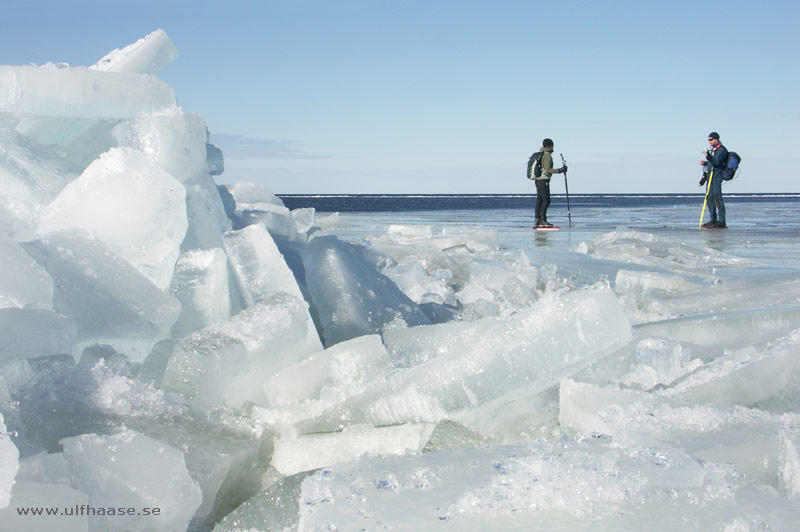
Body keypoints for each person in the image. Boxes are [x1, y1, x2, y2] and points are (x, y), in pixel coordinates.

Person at [533, 138, 567, 228]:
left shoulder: (541, 154)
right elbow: (548, 169)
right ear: (551, 146)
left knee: (540, 200)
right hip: (543, 180)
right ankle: (543, 220)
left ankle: (537, 220)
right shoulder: (547, 155)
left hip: (538, 180)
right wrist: (560, 170)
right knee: (546, 200)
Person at [699, 131, 729, 228]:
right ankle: (713, 219)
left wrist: (708, 155)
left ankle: (722, 221)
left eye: (711, 139)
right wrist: (705, 163)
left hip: (716, 175)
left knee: (716, 196)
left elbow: (717, 162)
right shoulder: (714, 150)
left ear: (716, 139)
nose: (709, 141)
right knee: (709, 197)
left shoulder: (721, 150)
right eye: (708, 140)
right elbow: (712, 163)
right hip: (710, 175)